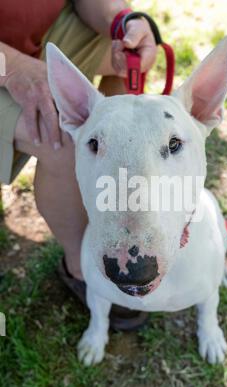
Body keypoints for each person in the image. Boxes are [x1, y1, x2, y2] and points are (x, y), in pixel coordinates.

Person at [0, 0, 157, 329]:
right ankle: (81, 265)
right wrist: (12, 67)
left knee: (126, 56)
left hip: (27, 43)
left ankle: (118, 212)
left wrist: (121, 22)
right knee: (62, 136)